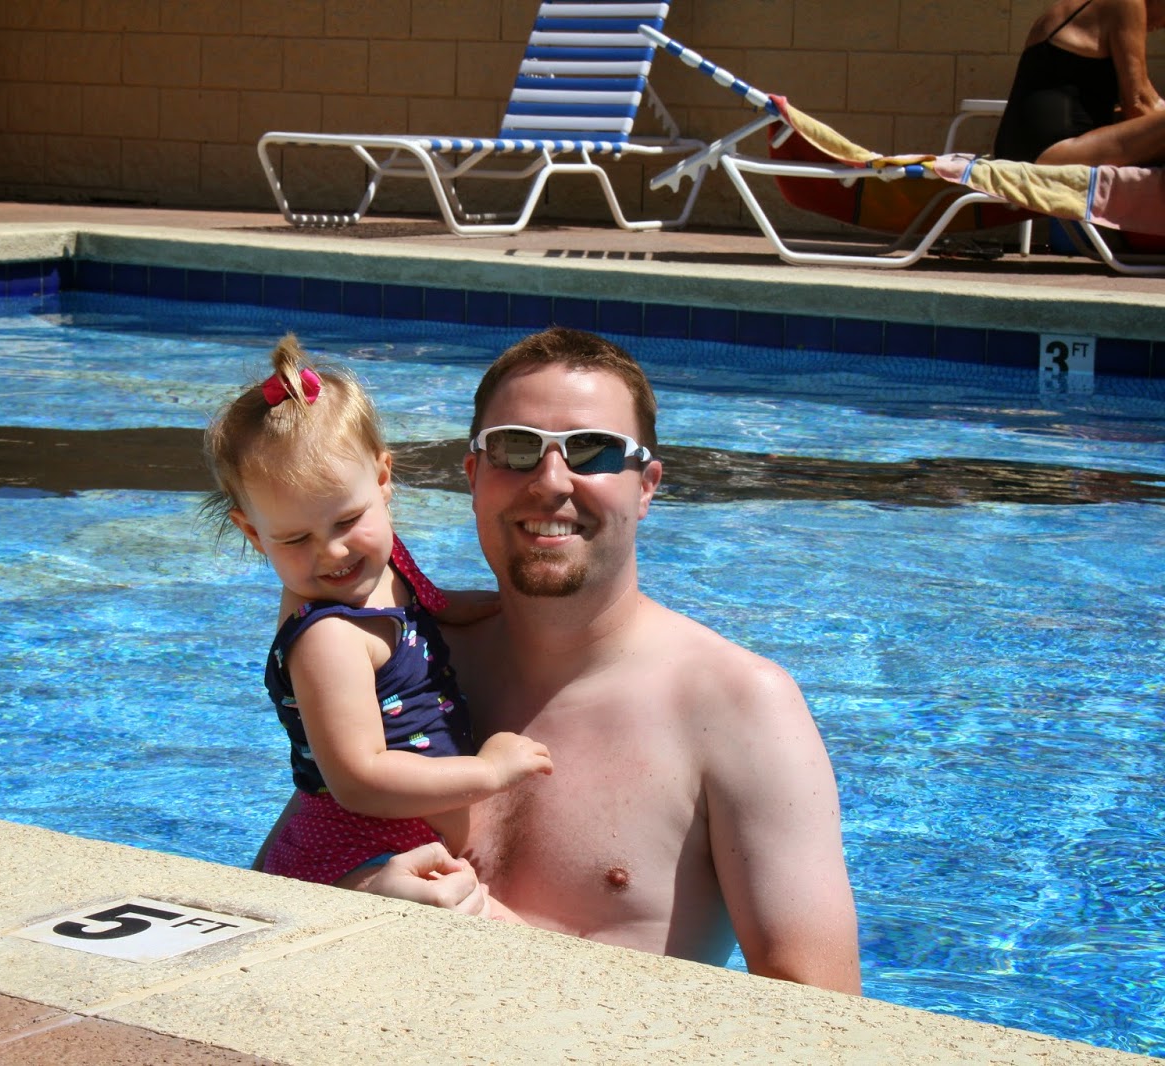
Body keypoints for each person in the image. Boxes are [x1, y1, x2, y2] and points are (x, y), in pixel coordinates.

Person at [262, 327, 862, 994]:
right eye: (514, 448)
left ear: (646, 486)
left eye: (593, 450)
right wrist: (357, 901)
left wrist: (500, 941)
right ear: (474, 477)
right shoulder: (410, 663)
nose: (550, 482)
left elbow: (825, 1018)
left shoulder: (738, 708)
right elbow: (272, 889)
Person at [205, 334, 553, 889]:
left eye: (347, 521)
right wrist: (488, 772)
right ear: (253, 533)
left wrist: (501, 607)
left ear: (383, 480)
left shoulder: (386, 561)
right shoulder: (329, 638)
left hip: (400, 842)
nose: (332, 552)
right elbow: (359, 781)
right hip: (354, 856)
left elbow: (432, 604)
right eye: (295, 539)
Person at [994, 0, 1165, 165]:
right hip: (1052, 151)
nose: (1161, 27)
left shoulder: (1070, 8)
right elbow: (1139, 104)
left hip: (1013, 148)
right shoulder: (1128, 3)